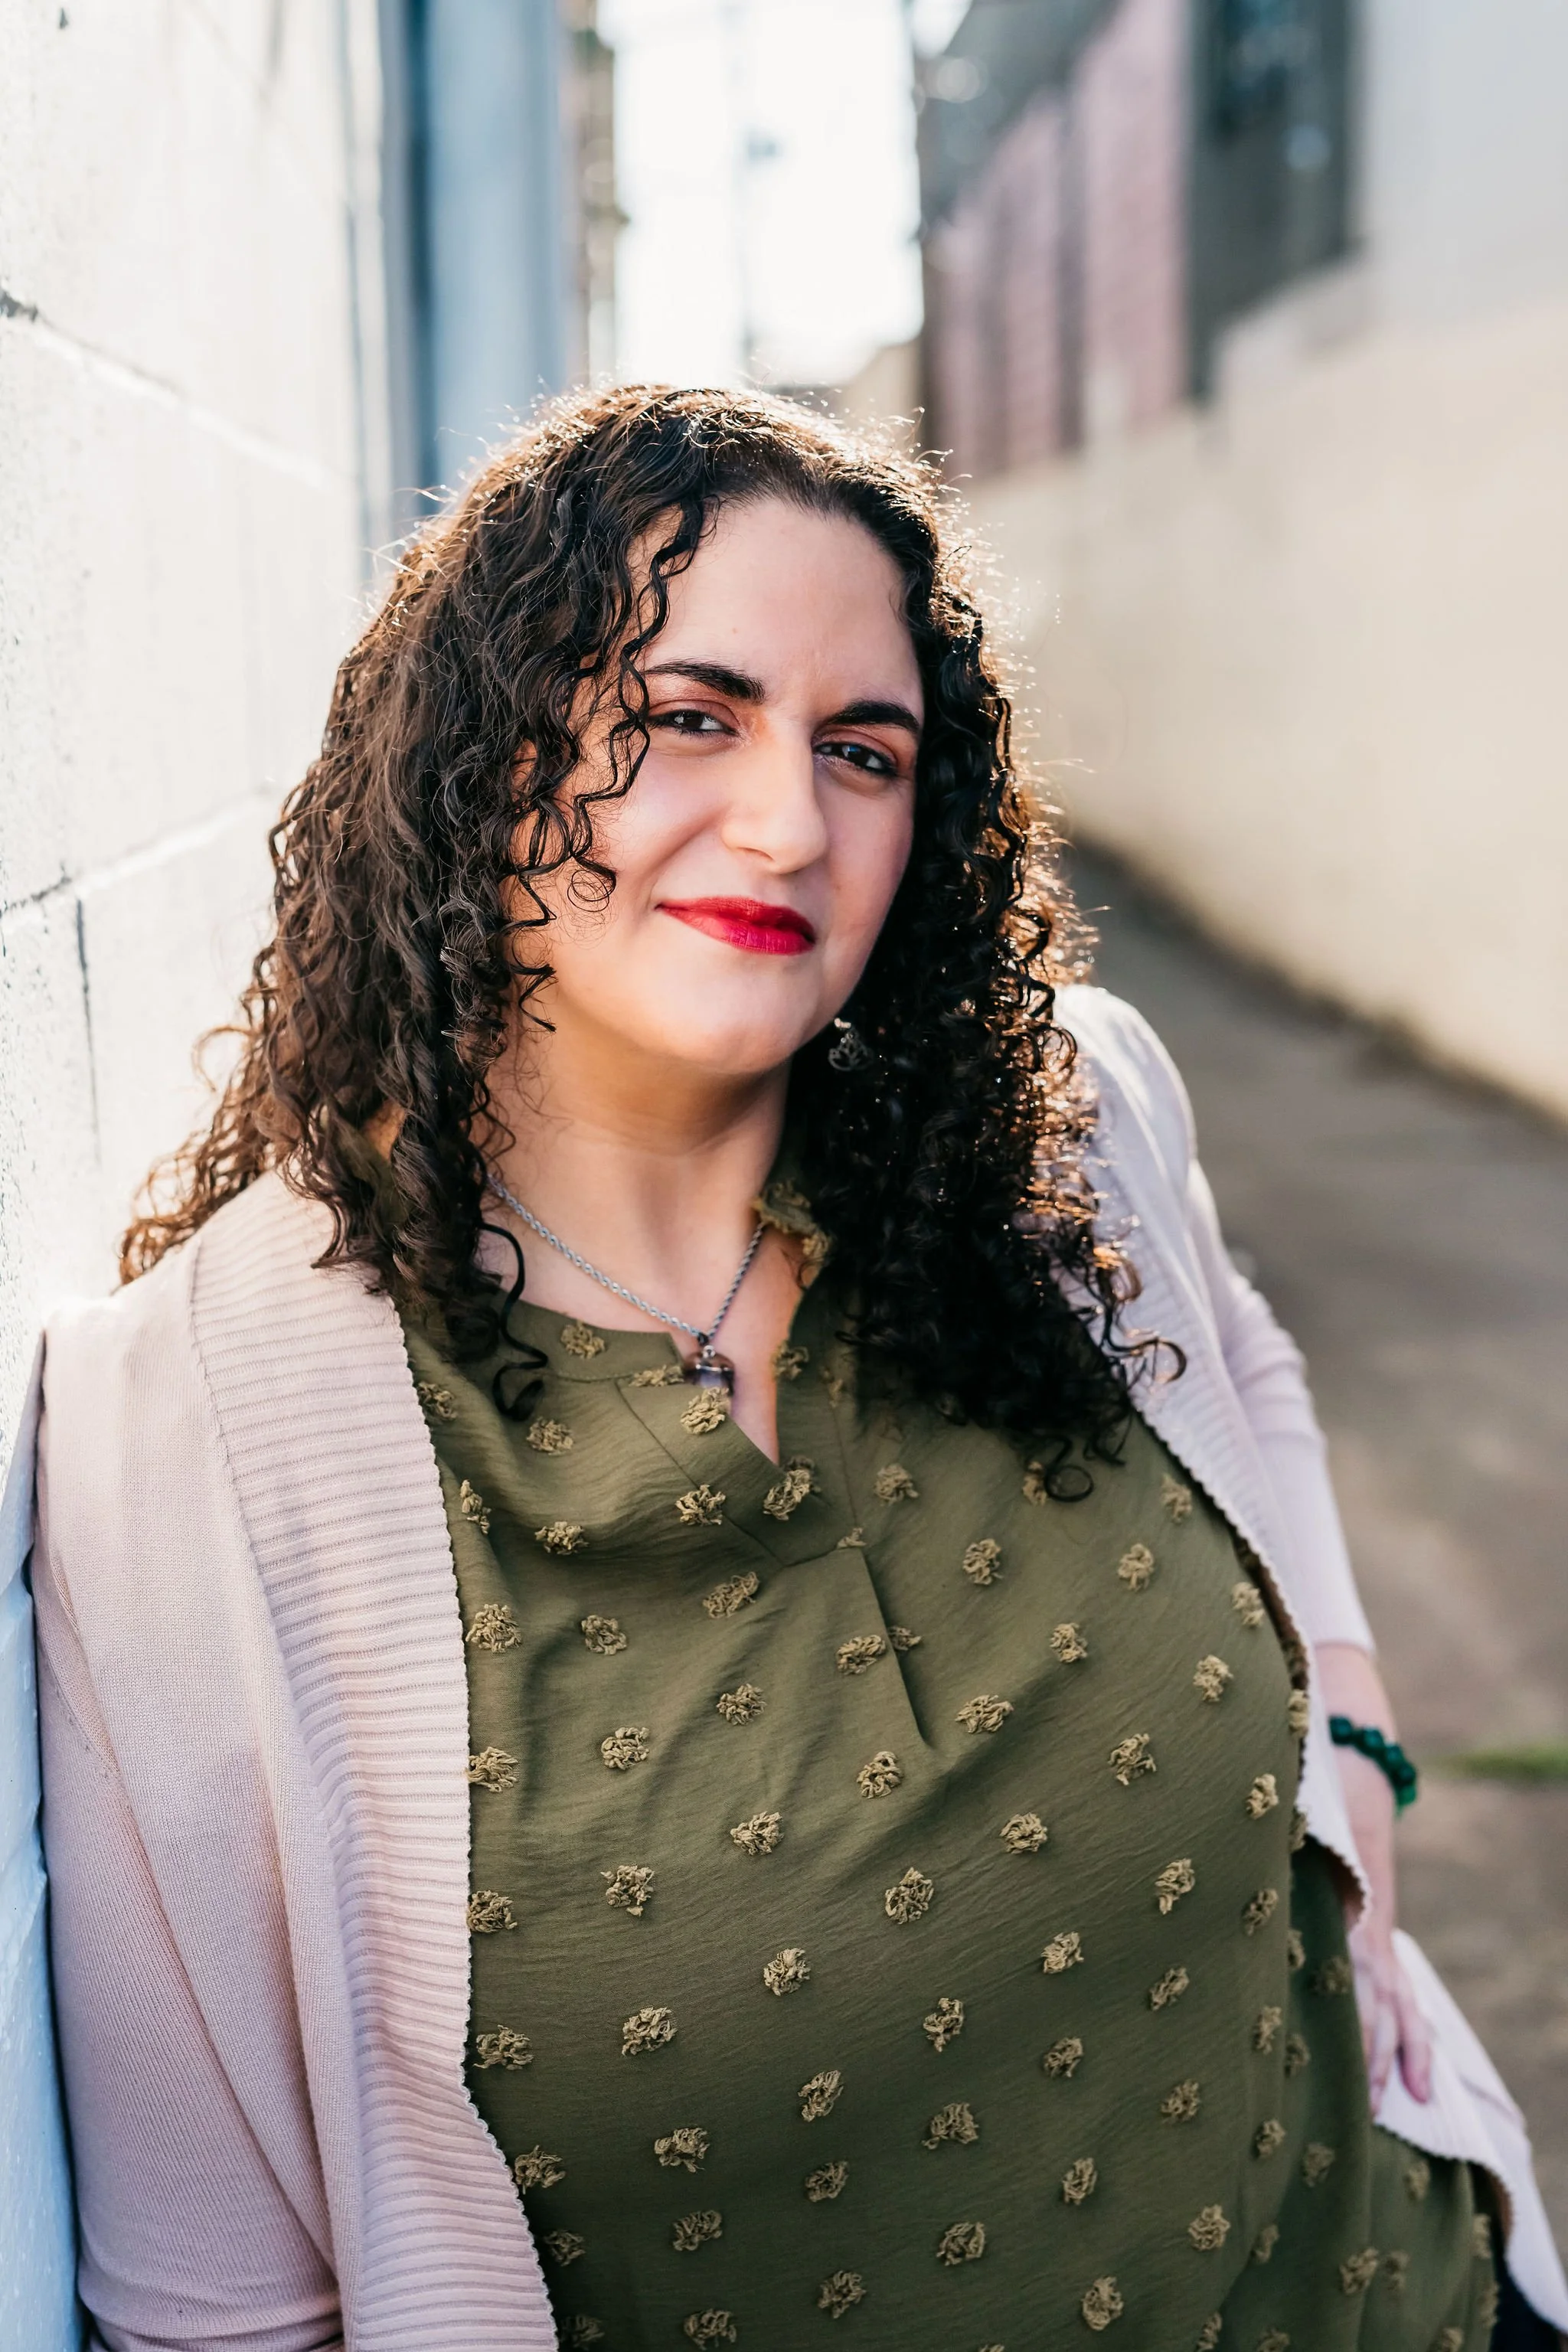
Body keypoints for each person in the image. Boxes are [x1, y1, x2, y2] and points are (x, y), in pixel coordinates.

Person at [31, 386, 1565, 2351]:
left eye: (864, 750)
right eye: (688, 713)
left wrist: (1342, 1726)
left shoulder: (1051, 1131)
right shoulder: (195, 1447)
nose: (786, 821)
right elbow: (218, 2312)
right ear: (482, 742)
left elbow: (1236, 1349)